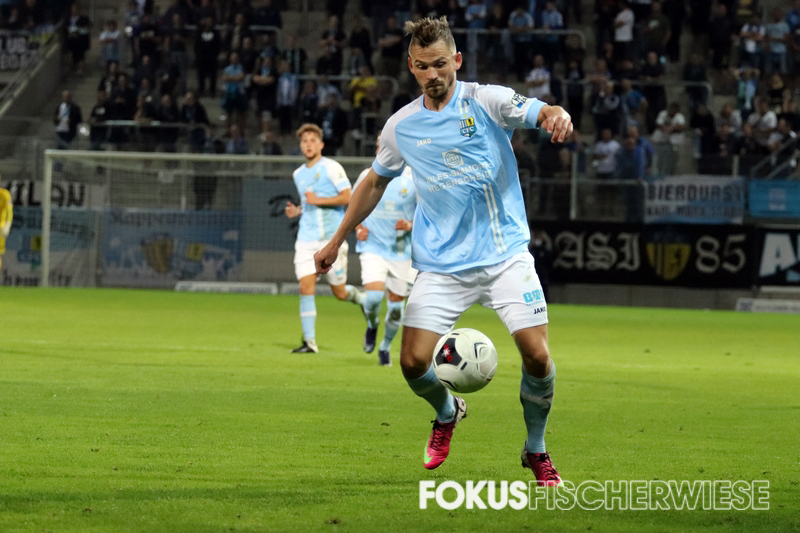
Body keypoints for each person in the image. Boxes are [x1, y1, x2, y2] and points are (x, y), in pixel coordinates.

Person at [313, 17, 572, 485]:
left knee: (538, 356)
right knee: (412, 363)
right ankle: (448, 411)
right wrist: (337, 240)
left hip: (504, 257)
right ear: (411, 67)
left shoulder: (486, 101)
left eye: (440, 64)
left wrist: (555, 113)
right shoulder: (401, 127)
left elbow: (539, 109)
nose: (432, 74)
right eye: (422, 66)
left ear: (456, 60)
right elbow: (373, 182)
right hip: (442, 266)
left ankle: (536, 449)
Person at [285, 123, 366, 354]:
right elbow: (309, 203)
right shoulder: (298, 174)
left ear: (321, 144)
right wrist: (298, 210)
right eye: (304, 141)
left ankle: (361, 299)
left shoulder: (331, 167)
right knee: (305, 287)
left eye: (312, 140)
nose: (308, 145)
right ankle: (309, 342)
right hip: (306, 239)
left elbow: (348, 197)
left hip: (331, 241)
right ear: (301, 146)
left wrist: (317, 200)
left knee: (340, 293)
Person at [353, 134, 417, 367]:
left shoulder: (414, 177)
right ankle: (372, 324)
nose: (384, 148)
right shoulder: (367, 175)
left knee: (397, 310)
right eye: (380, 144)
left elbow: (429, 212)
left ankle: (385, 347)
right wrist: (358, 228)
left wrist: (410, 224)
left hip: (402, 252)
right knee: (373, 298)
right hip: (373, 247)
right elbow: (354, 204)